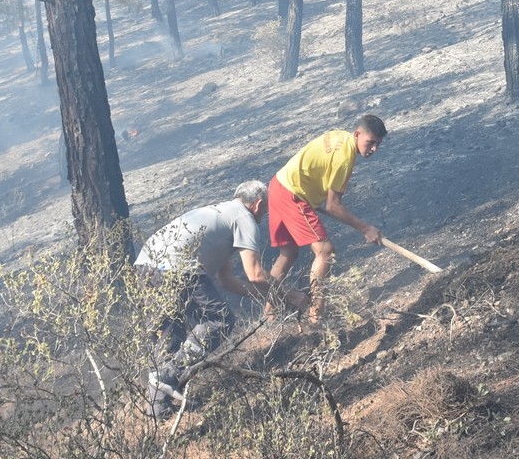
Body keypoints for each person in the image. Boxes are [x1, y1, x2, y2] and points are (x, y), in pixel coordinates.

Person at [135, 180, 308, 419]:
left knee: (171, 329)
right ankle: (169, 375)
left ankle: (157, 409)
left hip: (146, 264)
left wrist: (272, 297)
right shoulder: (245, 219)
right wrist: (291, 294)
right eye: (266, 209)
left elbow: (227, 280)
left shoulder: (223, 214)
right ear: (258, 205)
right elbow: (256, 274)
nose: (265, 214)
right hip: (177, 267)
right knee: (220, 320)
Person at [266, 114, 386, 324]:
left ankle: (269, 317)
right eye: (370, 142)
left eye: (378, 144)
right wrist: (366, 229)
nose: (374, 149)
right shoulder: (345, 159)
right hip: (292, 194)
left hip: (278, 184)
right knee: (325, 251)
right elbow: (333, 206)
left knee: (289, 252)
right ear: (357, 134)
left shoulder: (340, 136)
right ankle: (317, 317)